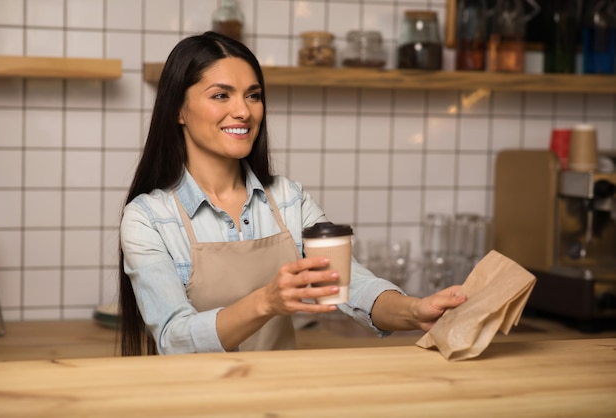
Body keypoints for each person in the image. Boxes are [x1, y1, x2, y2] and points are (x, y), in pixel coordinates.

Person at [119, 31, 467, 356]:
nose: (243, 111)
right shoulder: (148, 218)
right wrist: (266, 302)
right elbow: (173, 337)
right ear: (178, 109)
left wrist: (414, 310)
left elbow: (348, 285)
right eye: (221, 95)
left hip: (280, 395)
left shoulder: (288, 199)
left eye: (253, 95)